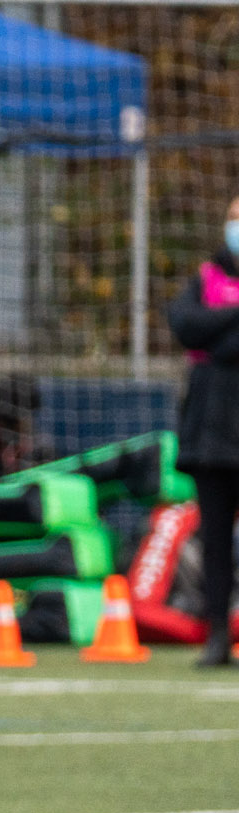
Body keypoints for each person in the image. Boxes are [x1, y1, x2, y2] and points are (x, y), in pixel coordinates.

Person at [169, 193, 239, 667]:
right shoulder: (205, 276)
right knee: (214, 538)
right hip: (211, 432)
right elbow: (184, 325)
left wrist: (216, 334)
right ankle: (217, 635)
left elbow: (211, 338)